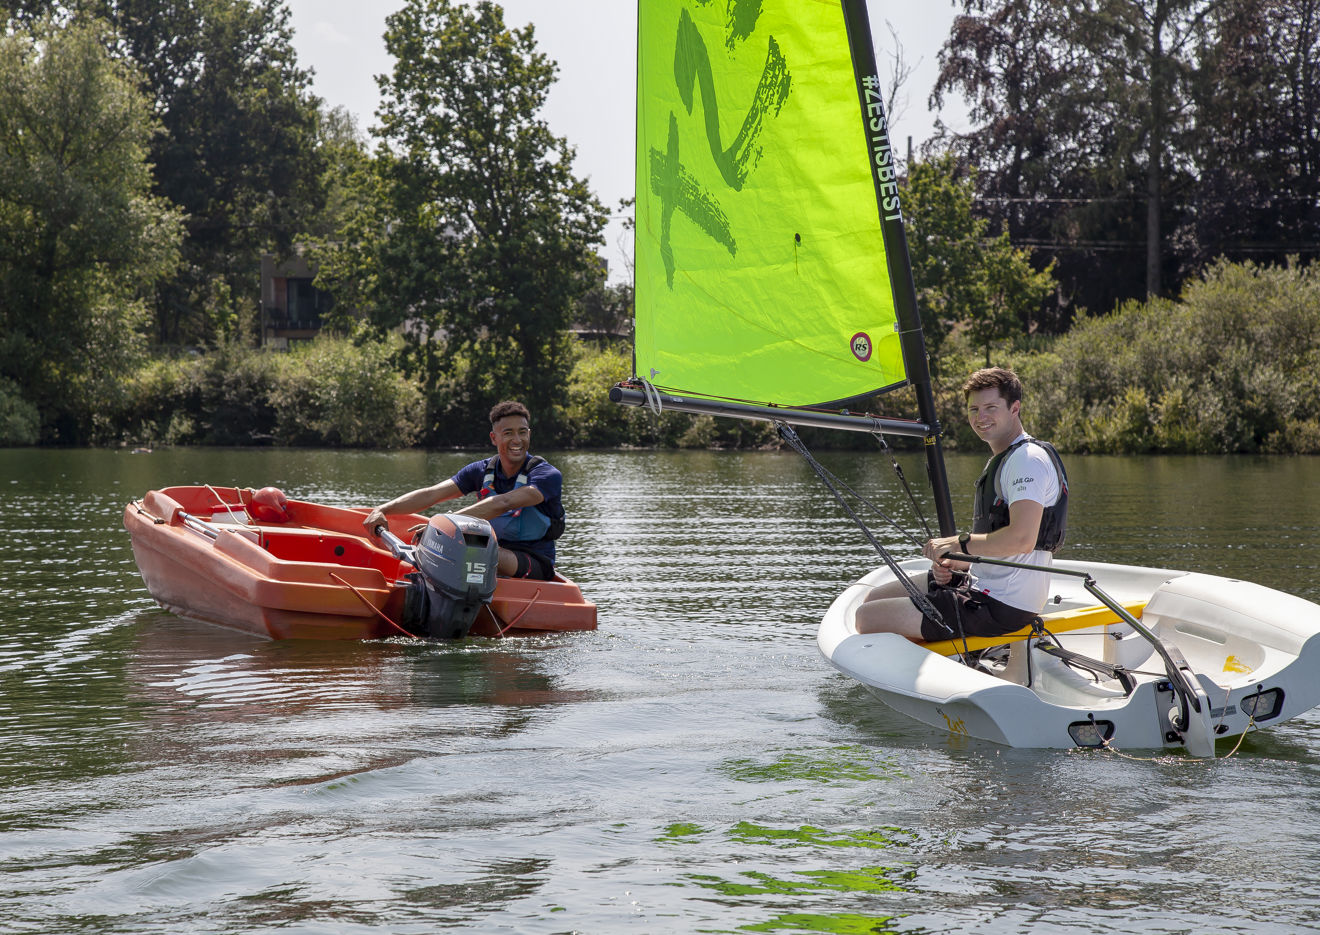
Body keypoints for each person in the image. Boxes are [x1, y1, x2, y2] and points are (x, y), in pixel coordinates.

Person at [855, 366, 1068, 641]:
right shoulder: (1004, 458)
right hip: (984, 586)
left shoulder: (1027, 459)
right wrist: (960, 563)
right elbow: (1006, 550)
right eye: (973, 409)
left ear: (1014, 408)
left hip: (1002, 608)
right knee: (873, 596)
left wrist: (956, 544)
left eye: (991, 407)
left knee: (866, 617)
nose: (981, 418)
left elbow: (1022, 539)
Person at [363, 401, 565, 581]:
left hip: (534, 559)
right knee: (451, 544)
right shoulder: (480, 470)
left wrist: (443, 526)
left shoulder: (546, 475)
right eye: (508, 433)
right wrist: (383, 509)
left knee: (462, 546)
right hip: (489, 546)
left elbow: (504, 503)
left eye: (522, 432)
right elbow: (432, 494)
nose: (517, 440)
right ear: (494, 438)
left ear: (529, 434)